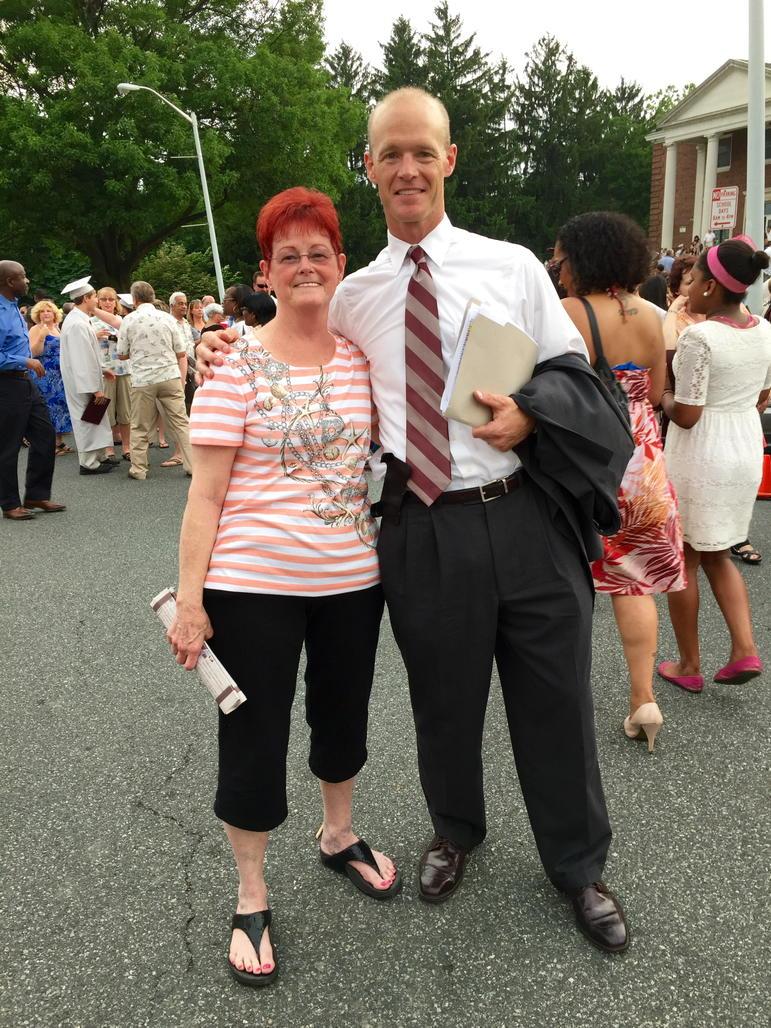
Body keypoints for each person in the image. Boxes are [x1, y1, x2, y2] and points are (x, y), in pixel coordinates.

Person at [198, 88, 635, 954]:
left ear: (449, 159)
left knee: (555, 700)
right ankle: (455, 832)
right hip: (421, 525)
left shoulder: (509, 266)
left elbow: (579, 375)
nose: (406, 167)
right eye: (389, 153)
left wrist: (532, 414)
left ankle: (578, 866)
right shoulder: (353, 294)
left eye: (421, 151)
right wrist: (217, 344)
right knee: (442, 700)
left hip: (524, 517)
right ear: (369, 166)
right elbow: (286, 341)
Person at [168, 187, 399, 987]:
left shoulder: (366, 357)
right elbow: (203, 493)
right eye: (289, 255)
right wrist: (189, 599)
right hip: (250, 584)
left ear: (341, 266)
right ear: (266, 271)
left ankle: (338, 834)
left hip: (350, 581)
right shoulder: (234, 365)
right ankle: (251, 891)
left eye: (320, 253)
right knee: (254, 735)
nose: (306, 266)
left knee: (343, 714)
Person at [554, 212, 686, 752]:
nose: (557, 268)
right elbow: (654, 394)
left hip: (591, 462)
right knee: (634, 583)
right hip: (645, 458)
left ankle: (562, 701)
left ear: (581, 258)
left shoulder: (572, 313)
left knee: (568, 579)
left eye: (560, 257)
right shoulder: (653, 318)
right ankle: (642, 698)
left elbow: (554, 388)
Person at [659, 236, 771, 692]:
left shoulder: (699, 337)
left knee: (683, 557)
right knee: (719, 552)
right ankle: (744, 648)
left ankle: (689, 664)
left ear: (709, 287)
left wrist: (661, 396)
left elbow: (686, 414)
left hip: (702, 451)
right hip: (744, 442)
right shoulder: (764, 328)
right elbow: (764, 394)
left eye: (697, 278)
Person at [0, 260, 65, 520]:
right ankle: (9, 503)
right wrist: (23, 360)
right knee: (8, 445)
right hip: (6, 384)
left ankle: (37, 494)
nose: (27, 281)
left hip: (25, 381)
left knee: (45, 435)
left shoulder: (14, 307)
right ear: (8, 281)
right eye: (23, 277)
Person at [116, 281, 193, 480]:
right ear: (153, 296)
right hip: (170, 375)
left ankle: (139, 469)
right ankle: (193, 465)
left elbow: (122, 354)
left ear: (134, 299)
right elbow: (181, 351)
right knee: (181, 422)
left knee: (140, 425)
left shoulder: (129, 320)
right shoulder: (167, 319)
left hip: (143, 379)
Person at [59, 276, 116, 475]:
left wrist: (102, 369)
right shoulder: (77, 324)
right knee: (88, 419)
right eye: (94, 297)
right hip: (83, 381)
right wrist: (95, 389)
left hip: (86, 378)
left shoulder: (80, 320)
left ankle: (99, 456)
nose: (97, 301)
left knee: (95, 417)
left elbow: (89, 353)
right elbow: (82, 359)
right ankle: (89, 462)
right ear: (85, 298)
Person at [28, 299, 73, 454]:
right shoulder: (36, 329)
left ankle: (59, 441)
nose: (46, 313)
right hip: (45, 373)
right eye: (42, 311)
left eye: (48, 310)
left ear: (55, 314)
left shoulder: (58, 328)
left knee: (60, 406)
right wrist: (41, 336)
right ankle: (50, 443)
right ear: (37, 315)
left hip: (60, 373)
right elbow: (32, 353)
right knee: (49, 407)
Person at [92, 286, 131, 464]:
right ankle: (107, 449)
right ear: (98, 301)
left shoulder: (124, 320)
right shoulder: (90, 322)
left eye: (111, 299)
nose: (108, 303)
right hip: (102, 372)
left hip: (124, 370)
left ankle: (127, 447)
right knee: (101, 411)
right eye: (104, 299)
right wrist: (94, 336)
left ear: (116, 303)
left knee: (126, 412)